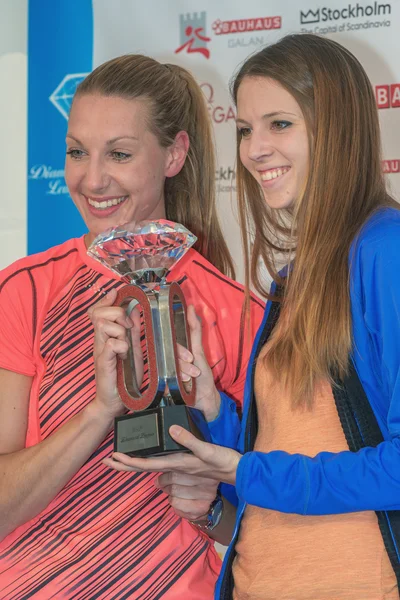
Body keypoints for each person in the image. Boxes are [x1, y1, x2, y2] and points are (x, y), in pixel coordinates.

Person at [105, 34, 400, 600]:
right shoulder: (297, 278)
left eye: (279, 125)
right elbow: (295, 447)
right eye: (244, 130)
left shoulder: (384, 250)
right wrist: (215, 411)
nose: (255, 149)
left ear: (336, 126)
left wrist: (242, 471)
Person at [0, 54, 264, 600]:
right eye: (77, 152)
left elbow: (264, 521)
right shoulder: (24, 289)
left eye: (119, 154)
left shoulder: (240, 313)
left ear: (174, 153)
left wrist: (212, 507)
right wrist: (100, 409)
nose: (92, 179)